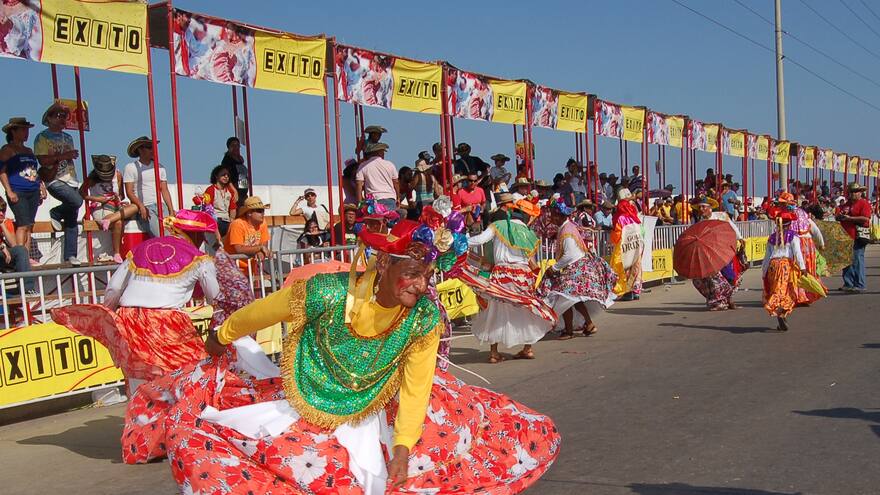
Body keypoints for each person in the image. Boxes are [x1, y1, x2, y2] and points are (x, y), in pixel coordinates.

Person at [121, 216, 562, 494]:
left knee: (476, 439)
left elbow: (416, 387)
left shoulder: (424, 318)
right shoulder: (327, 292)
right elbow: (262, 310)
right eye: (411, 273)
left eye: (427, 275)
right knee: (213, 442)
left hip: (378, 404)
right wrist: (222, 335)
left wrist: (404, 448)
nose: (420, 285)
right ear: (382, 265)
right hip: (306, 396)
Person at [51, 210, 220, 391]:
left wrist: (109, 313)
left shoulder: (141, 248)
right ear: (196, 235)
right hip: (165, 323)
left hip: (130, 318)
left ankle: (141, 414)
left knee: (139, 377)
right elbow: (216, 298)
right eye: (202, 236)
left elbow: (114, 287)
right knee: (194, 373)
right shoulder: (201, 259)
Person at [462, 193, 556, 362]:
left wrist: (456, 241)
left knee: (496, 310)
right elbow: (530, 256)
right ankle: (527, 349)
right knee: (526, 309)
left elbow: (479, 240)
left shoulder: (497, 225)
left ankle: (494, 353)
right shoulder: (525, 229)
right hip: (522, 274)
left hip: (503, 273)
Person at [539, 198, 617, 339]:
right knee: (574, 299)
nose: (551, 218)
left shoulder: (567, 230)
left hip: (576, 267)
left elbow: (570, 255)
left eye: (552, 215)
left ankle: (570, 330)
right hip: (578, 266)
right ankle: (588, 324)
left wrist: (555, 268)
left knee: (565, 297)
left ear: (558, 215)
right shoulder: (567, 227)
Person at [33, 101, 83, 265]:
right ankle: (56, 212)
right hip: (54, 179)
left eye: (64, 116)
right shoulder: (42, 137)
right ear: (49, 118)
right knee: (77, 201)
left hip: (71, 178)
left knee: (72, 220)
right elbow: (42, 159)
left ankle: (70, 255)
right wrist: (64, 156)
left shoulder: (68, 137)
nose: (63, 119)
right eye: (58, 116)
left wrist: (68, 156)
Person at [0, 117, 44, 258]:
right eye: (23, 129)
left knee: (29, 225)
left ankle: (28, 256)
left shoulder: (29, 150)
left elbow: (34, 171)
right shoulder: (8, 150)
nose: (26, 133)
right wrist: (9, 190)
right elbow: (1, 171)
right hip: (18, 190)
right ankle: (22, 257)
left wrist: (41, 186)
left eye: (27, 130)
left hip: (32, 189)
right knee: (22, 224)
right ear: (13, 131)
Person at [80, 155, 137, 263]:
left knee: (135, 206)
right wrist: (97, 198)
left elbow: (121, 195)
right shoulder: (92, 179)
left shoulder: (118, 175)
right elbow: (81, 193)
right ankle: (116, 253)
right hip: (99, 207)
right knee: (119, 222)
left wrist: (117, 198)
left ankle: (109, 220)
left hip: (114, 206)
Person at [689, 198, 741, 311]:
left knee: (729, 275)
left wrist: (740, 239)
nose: (701, 209)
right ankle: (718, 300)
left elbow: (732, 227)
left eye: (704, 207)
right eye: (700, 207)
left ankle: (730, 298)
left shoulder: (721, 216)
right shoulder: (699, 223)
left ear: (710, 208)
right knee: (711, 278)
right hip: (709, 254)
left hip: (724, 249)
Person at [762, 203, 806, 331]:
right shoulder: (793, 236)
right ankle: (781, 311)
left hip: (772, 266)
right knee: (789, 290)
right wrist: (802, 267)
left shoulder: (772, 238)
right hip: (786, 265)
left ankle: (781, 314)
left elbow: (766, 257)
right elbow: (797, 252)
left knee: (777, 289)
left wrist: (764, 272)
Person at [123, 136, 175, 238]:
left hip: (161, 206)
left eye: (152, 147)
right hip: (145, 207)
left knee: (174, 233)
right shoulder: (131, 167)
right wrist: (141, 206)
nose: (152, 150)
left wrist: (171, 210)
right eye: (149, 147)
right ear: (140, 149)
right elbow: (129, 192)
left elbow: (164, 190)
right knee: (161, 235)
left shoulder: (160, 167)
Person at [790, 198, 826, 305]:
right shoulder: (806, 219)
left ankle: (796, 295)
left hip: (794, 245)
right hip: (807, 246)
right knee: (807, 269)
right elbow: (816, 231)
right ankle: (807, 294)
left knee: (795, 269)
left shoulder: (787, 218)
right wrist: (821, 244)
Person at [837, 182, 871, 292]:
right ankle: (848, 283)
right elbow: (838, 214)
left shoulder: (864, 203)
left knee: (857, 260)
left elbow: (865, 219)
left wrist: (849, 218)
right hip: (845, 235)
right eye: (852, 192)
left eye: (856, 192)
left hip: (858, 236)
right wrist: (840, 216)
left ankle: (860, 284)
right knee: (845, 261)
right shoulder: (846, 205)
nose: (854, 194)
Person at [611, 188, 643, 301]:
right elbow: (642, 231)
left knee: (623, 266)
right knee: (636, 265)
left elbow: (616, 235)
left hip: (623, 246)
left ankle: (625, 291)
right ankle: (635, 290)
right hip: (637, 244)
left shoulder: (620, 218)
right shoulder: (635, 218)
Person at [224, 196, 271, 274]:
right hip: (231, 271)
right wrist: (259, 248)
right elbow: (239, 249)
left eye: (263, 210)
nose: (262, 213)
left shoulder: (263, 223)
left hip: (250, 269)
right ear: (249, 213)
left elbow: (264, 244)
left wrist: (261, 251)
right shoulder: (237, 224)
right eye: (259, 211)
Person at [0, 197, 35, 295]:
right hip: (2, 251)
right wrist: (2, 246)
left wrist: (2, 226)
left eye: (3, 211)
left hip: (4, 257)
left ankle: (28, 289)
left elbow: (13, 244)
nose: (1, 213)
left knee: (21, 250)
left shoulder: (6, 222)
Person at [356, 142, 398, 210]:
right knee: (390, 219)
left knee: (375, 219)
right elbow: (396, 182)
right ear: (380, 153)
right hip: (389, 197)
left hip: (373, 199)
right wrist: (398, 197)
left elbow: (359, 184)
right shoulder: (390, 165)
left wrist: (360, 202)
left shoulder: (363, 166)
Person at [203, 165, 237, 237]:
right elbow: (208, 208)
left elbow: (233, 208)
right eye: (223, 175)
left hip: (227, 221)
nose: (226, 177)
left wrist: (232, 219)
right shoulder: (210, 189)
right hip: (216, 220)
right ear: (216, 176)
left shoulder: (230, 191)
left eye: (228, 175)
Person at [221, 137, 250, 202]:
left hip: (243, 191)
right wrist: (234, 191)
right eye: (233, 145)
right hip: (234, 192)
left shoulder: (240, 160)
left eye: (237, 145)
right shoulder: (227, 161)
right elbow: (226, 178)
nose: (236, 147)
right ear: (229, 147)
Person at [411, 152, 440, 216]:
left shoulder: (418, 176)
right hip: (431, 203)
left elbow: (411, 187)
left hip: (421, 203)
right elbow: (437, 193)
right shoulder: (432, 177)